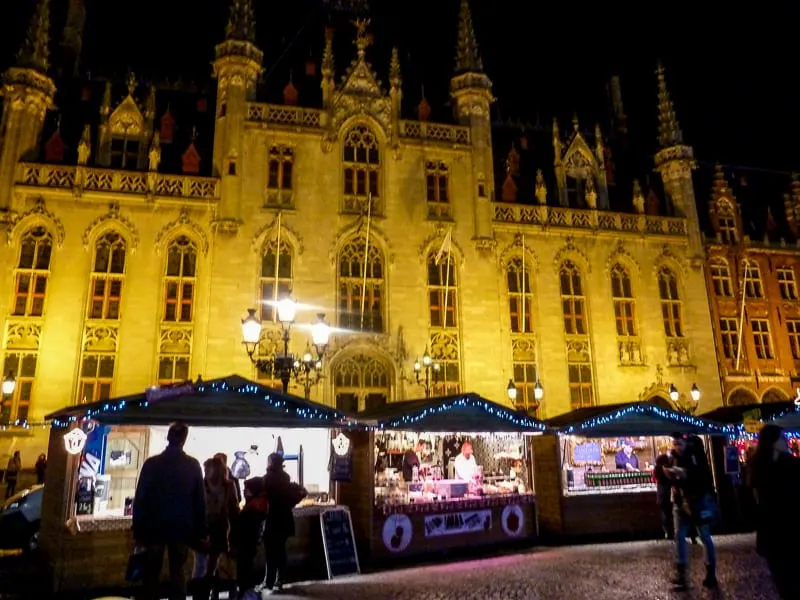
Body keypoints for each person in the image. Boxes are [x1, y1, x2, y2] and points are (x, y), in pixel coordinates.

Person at [132, 422, 206, 600]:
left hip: (154, 526)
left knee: (151, 573)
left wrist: (138, 528)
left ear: (168, 437)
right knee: (178, 572)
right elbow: (199, 500)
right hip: (181, 527)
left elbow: (140, 498)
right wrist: (201, 530)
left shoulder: (151, 464)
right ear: (184, 439)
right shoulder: (193, 465)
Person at [748, 424, 800, 599]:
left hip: (771, 530)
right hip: (788, 529)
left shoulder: (756, 464)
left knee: (783, 579)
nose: (786, 441)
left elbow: (753, 497)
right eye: (782, 438)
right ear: (774, 441)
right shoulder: (789, 463)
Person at [665, 433, 717, 590]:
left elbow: (702, 478)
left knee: (704, 536)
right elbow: (673, 479)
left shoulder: (696, 456)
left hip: (697, 501)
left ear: (685, 442)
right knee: (679, 536)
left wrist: (685, 474)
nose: (676, 447)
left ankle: (711, 572)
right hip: (680, 501)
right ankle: (681, 575)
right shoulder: (673, 456)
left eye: (679, 443)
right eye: (674, 444)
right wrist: (670, 475)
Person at [262, 453, 307, 594]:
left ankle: (268, 581)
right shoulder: (285, 478)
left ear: (270, 462)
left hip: (270, 519)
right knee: (280, 551)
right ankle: (279, 579)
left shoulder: (266, 479)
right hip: (284, 519)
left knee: (270, 552)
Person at [232, 477, 268, 599]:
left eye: (246, 489)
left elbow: (244, 528)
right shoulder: (260, 504)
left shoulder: (253, 508)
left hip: (245, 545)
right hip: (250, 544)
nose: (244, 491)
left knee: (244, 572)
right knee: (247, 570)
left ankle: (246, 595)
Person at [653, 452, 673, 539]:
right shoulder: (667, 468)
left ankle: (667, 532)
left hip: (661, 496)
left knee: (664, 514)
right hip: (669, 495)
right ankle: (672, 531)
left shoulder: (657, 469)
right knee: (670, 514)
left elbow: (655, 480)